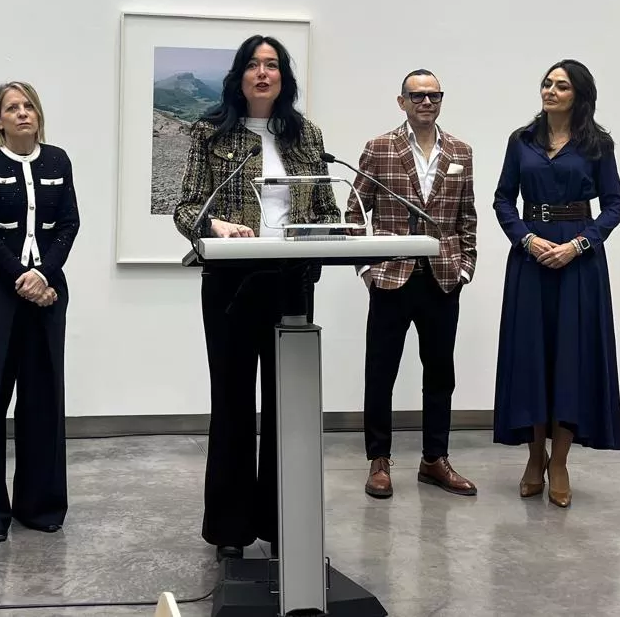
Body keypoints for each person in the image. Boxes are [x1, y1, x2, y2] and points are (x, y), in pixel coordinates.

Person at [172, 34, 341, 562]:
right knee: (233, 403)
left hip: (291, 280)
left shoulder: (306, 135)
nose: (263, 74)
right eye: (253, 65)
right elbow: (186, 208)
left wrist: (322, 232)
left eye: (272, 65)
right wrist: (215, 224)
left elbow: (328, 210)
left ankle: (281, 522)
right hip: (231, 284)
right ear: (239, 77)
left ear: (284, 77)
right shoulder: (209, 133)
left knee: (287, 404)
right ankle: (230, 528)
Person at [492, 59, 620, 508]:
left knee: (570, 357)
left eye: (560, 86)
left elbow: (613, 205)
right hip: (530, 257)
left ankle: (560, 461)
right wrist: (526, 240)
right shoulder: (522, 141)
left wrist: (578, 247)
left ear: (578, 95)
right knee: (532, 355)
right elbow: (502, 199)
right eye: (546, 83)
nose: (549, 91)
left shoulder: (597, 145)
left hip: (578, 261)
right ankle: (534, 456)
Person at [345, 69, 478, 500]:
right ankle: (379, 460)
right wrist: (364, 268)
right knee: (380, 372)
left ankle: (434, 459)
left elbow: (467, 216)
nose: (427, 102)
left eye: (434, 95)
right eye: (417, 96)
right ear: (401, 101)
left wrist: (465, 268)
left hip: (442, 278)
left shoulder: (461, 151)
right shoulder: (380, 147)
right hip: (390, 277)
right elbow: (354, 210)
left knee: (440, 373)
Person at [0, 81, 80, 541]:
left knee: (43, 399)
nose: (22, 113)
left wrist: (44, 275)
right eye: (12, 108)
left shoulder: (58, 160)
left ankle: (41, 505)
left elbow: (69, 223)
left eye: (28, 105)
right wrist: (23, 277)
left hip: (48, 291)